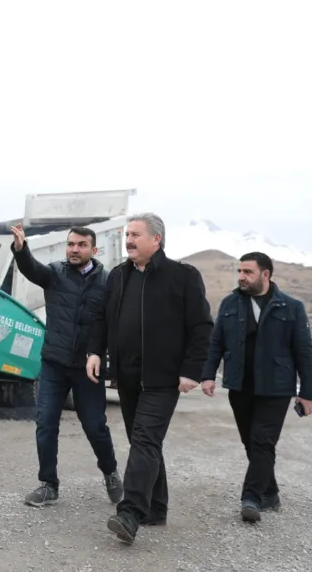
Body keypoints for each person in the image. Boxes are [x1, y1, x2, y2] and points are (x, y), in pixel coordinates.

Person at [85, 212, 212, 544]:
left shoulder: (183, 276)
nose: (128, 240)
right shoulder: (118, 276)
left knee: (144, 440)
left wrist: (192, 370)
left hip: (164, 378)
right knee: (144, 442)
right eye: (127, 234)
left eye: (135, 235)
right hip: (127, 376)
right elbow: (102, 318)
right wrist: (95, 351)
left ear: (156, 239)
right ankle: (156, 507)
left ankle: (130, 513)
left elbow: (201, 327)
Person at [9, 224, 123, 507]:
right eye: (71, 244)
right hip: (55, 363)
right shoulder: (55, 273)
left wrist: (113, 364)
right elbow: (31, 269)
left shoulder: (108, 282)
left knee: (95, 426)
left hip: (88, 367)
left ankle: (110, 473)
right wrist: (21, 249)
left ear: (94, 250)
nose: (74, 249)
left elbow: (113, 325)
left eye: (81, 245)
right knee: (46, 422)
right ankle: (48, 484)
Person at [201, 252, 312, 523]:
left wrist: (308, 392)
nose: (241, 277)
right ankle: (271, 492)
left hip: (276, 387)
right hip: (240, 385)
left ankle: (251, 498)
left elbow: (304, 352)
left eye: (248, 272)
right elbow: (216, 343)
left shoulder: (291, 307)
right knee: (251, 442)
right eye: (239, 271)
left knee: (263, 441)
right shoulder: (230, 303)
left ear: (265, 274)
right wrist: (208, 375)